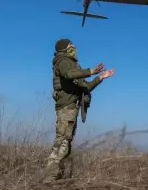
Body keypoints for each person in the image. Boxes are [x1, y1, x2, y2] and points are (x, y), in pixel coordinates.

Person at [43, 38, 115, 183]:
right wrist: (90, 71)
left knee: (66, 143)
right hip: (66, 107)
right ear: (64, 49)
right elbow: (68, 74)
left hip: (72, 108)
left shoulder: (73, 66)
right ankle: (48, 178)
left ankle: (56, 176)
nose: (74, 47)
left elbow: (85, 87)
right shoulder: (62, 61)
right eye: (71, 46)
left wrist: (100, 77)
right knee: (62, 142)